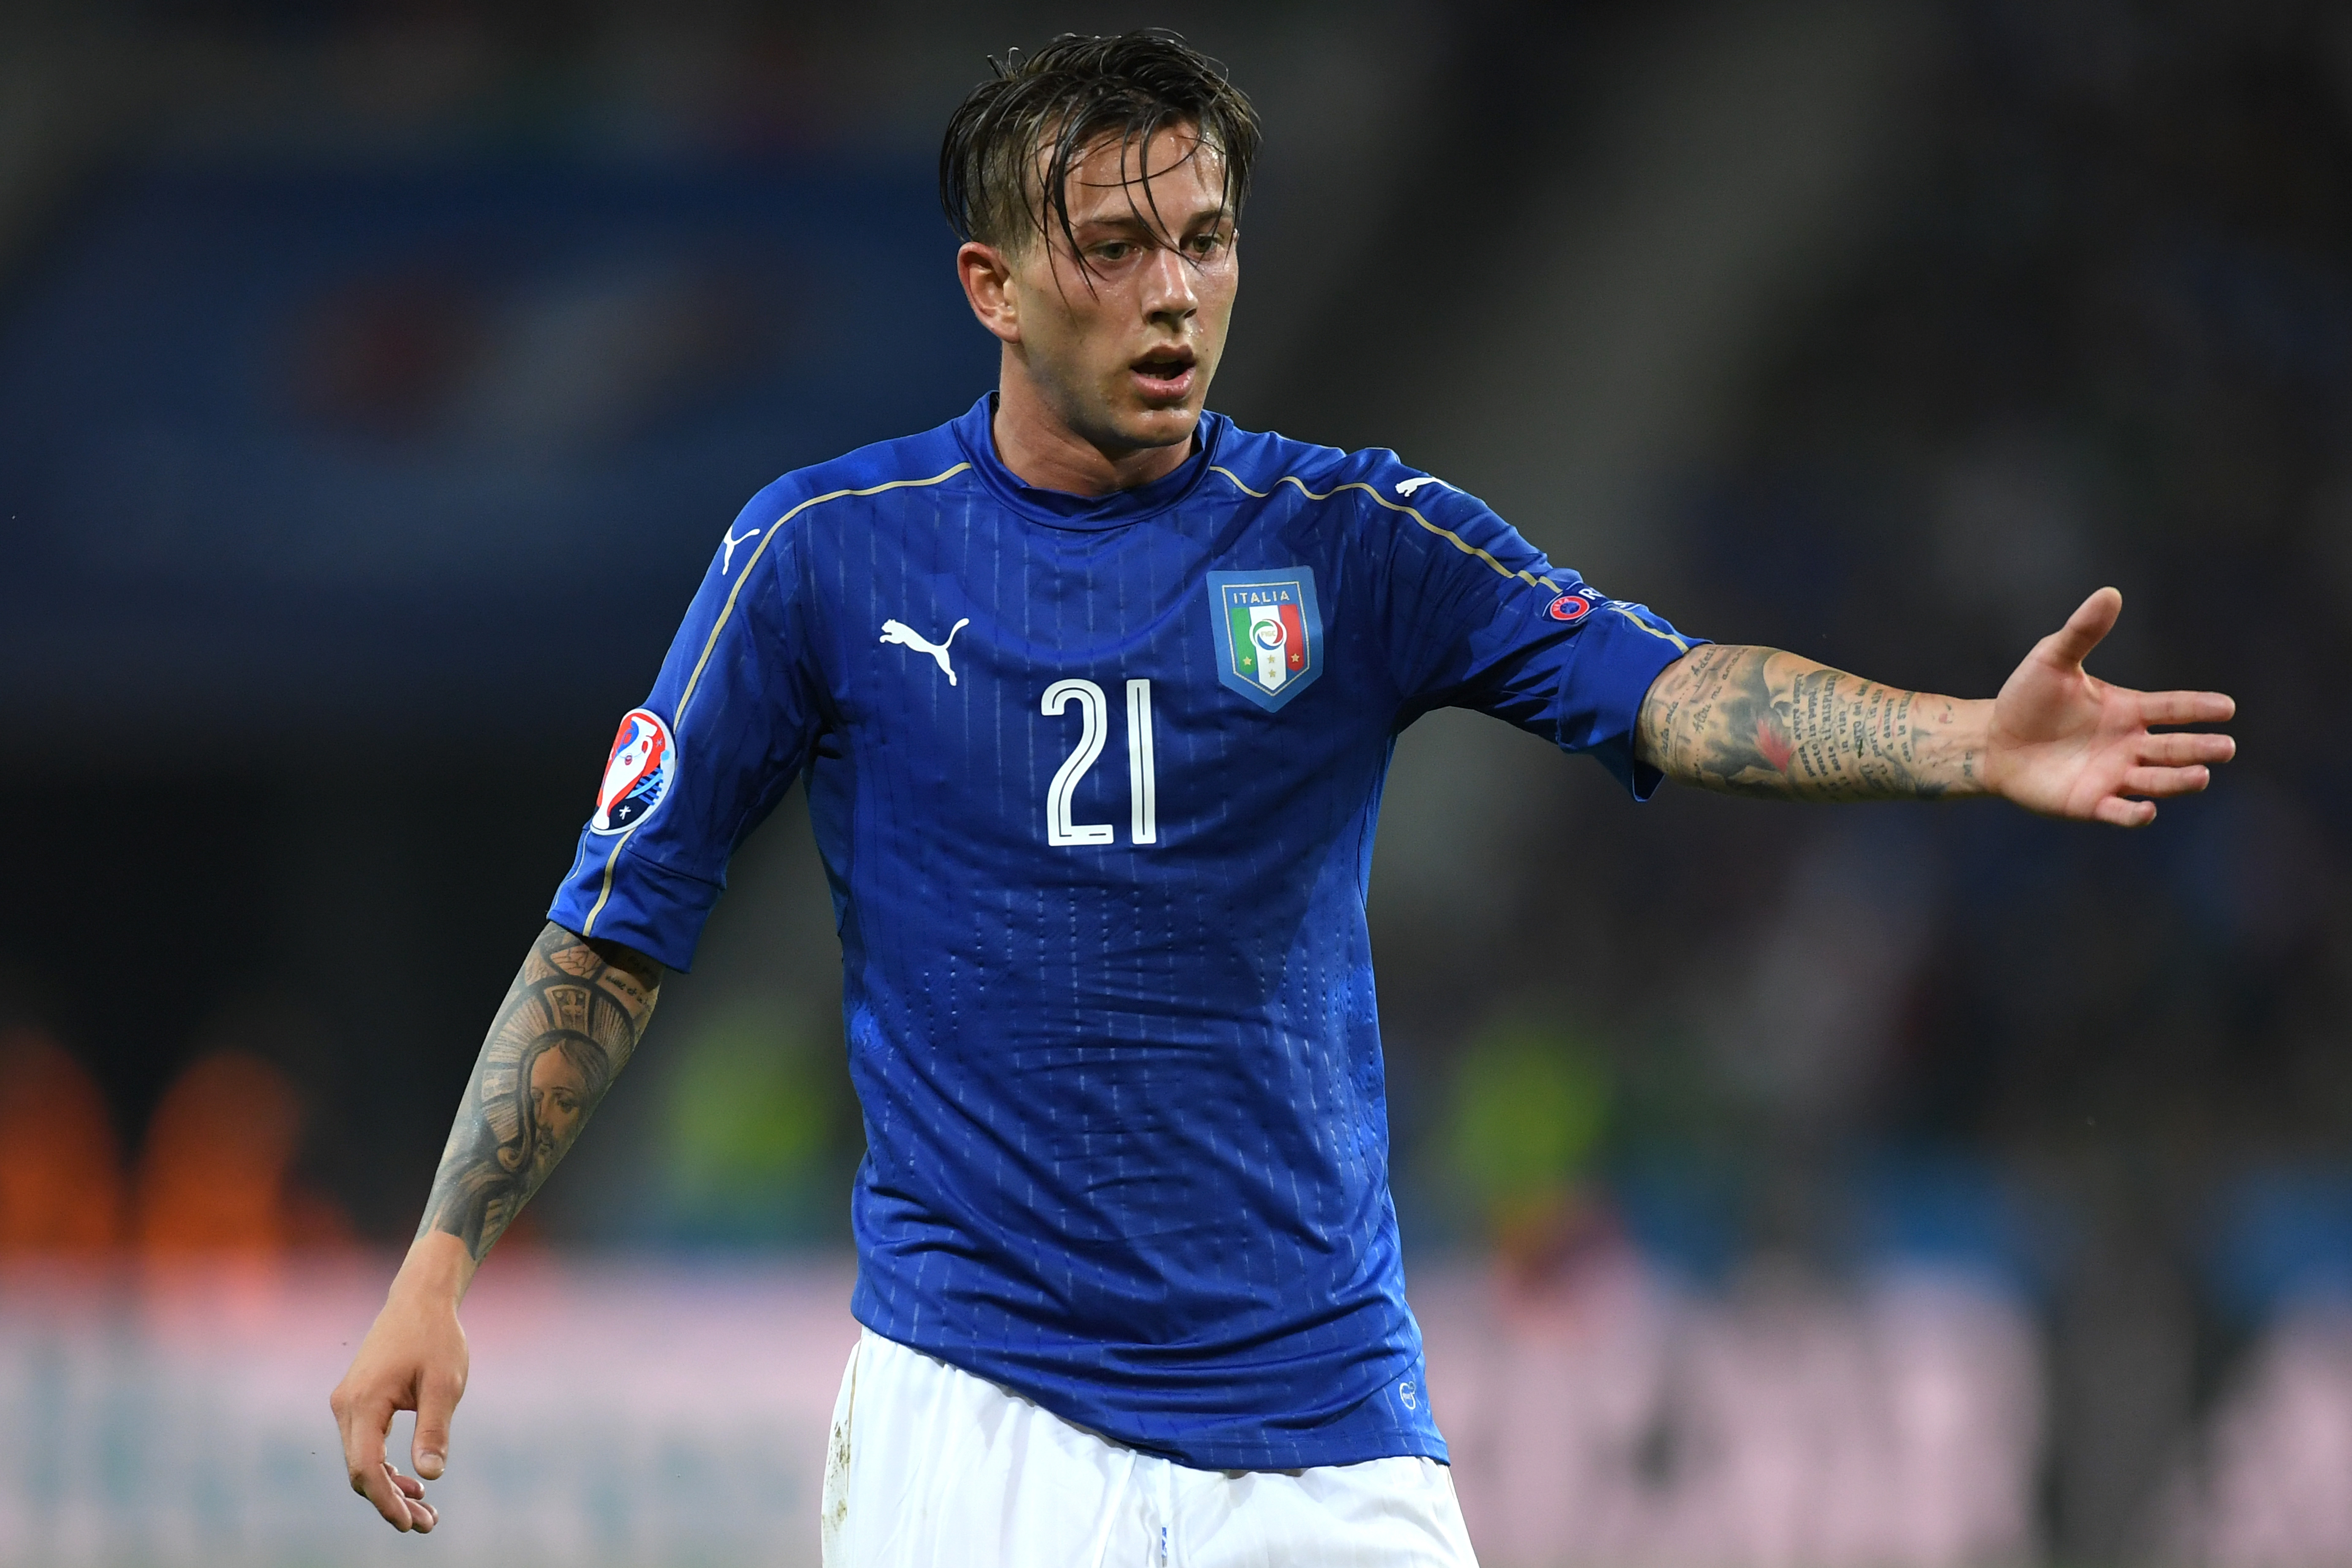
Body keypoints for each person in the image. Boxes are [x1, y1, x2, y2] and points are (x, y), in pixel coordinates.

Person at [329, 31, 2236, 1566]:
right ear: (993, 282)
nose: (1175, 296)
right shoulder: (825, 558)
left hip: (1326, 1433)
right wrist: (437, 1263)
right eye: (1115, 247)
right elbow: (614, 931)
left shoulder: (1353, 542)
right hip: (977, 1420)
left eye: (1209, 241)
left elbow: (1667, 691)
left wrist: (1958, 739)